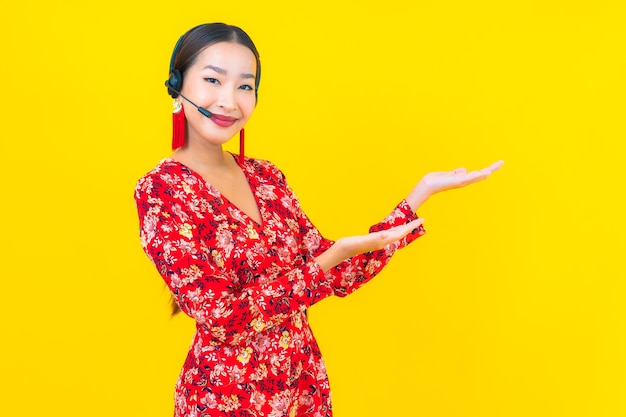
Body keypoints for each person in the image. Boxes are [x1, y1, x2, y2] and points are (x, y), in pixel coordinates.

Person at [134, 22, 503, 417]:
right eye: (212, 80)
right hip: (226, 398)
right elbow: (222, 318)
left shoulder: (266, 177)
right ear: (177, 85)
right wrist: (326, 261)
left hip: (302, 390)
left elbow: (336, 274)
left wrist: (419, 195)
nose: (228, 101)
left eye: (245, 86)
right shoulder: (162, 190)